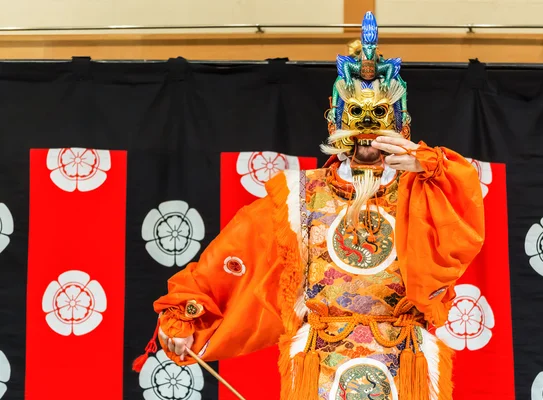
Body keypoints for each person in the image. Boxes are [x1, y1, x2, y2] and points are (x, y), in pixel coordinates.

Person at [134, 11, 485, 400]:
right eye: (356, 114)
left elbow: (466, 213)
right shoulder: (299, 196)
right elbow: (233, 255)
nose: (367, 127)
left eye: (379, 115)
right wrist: (182, 313)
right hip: (321, 358)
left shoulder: (422, 190)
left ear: (399, 122)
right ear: (337, 120)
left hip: (404, 355)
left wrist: (430, 165)